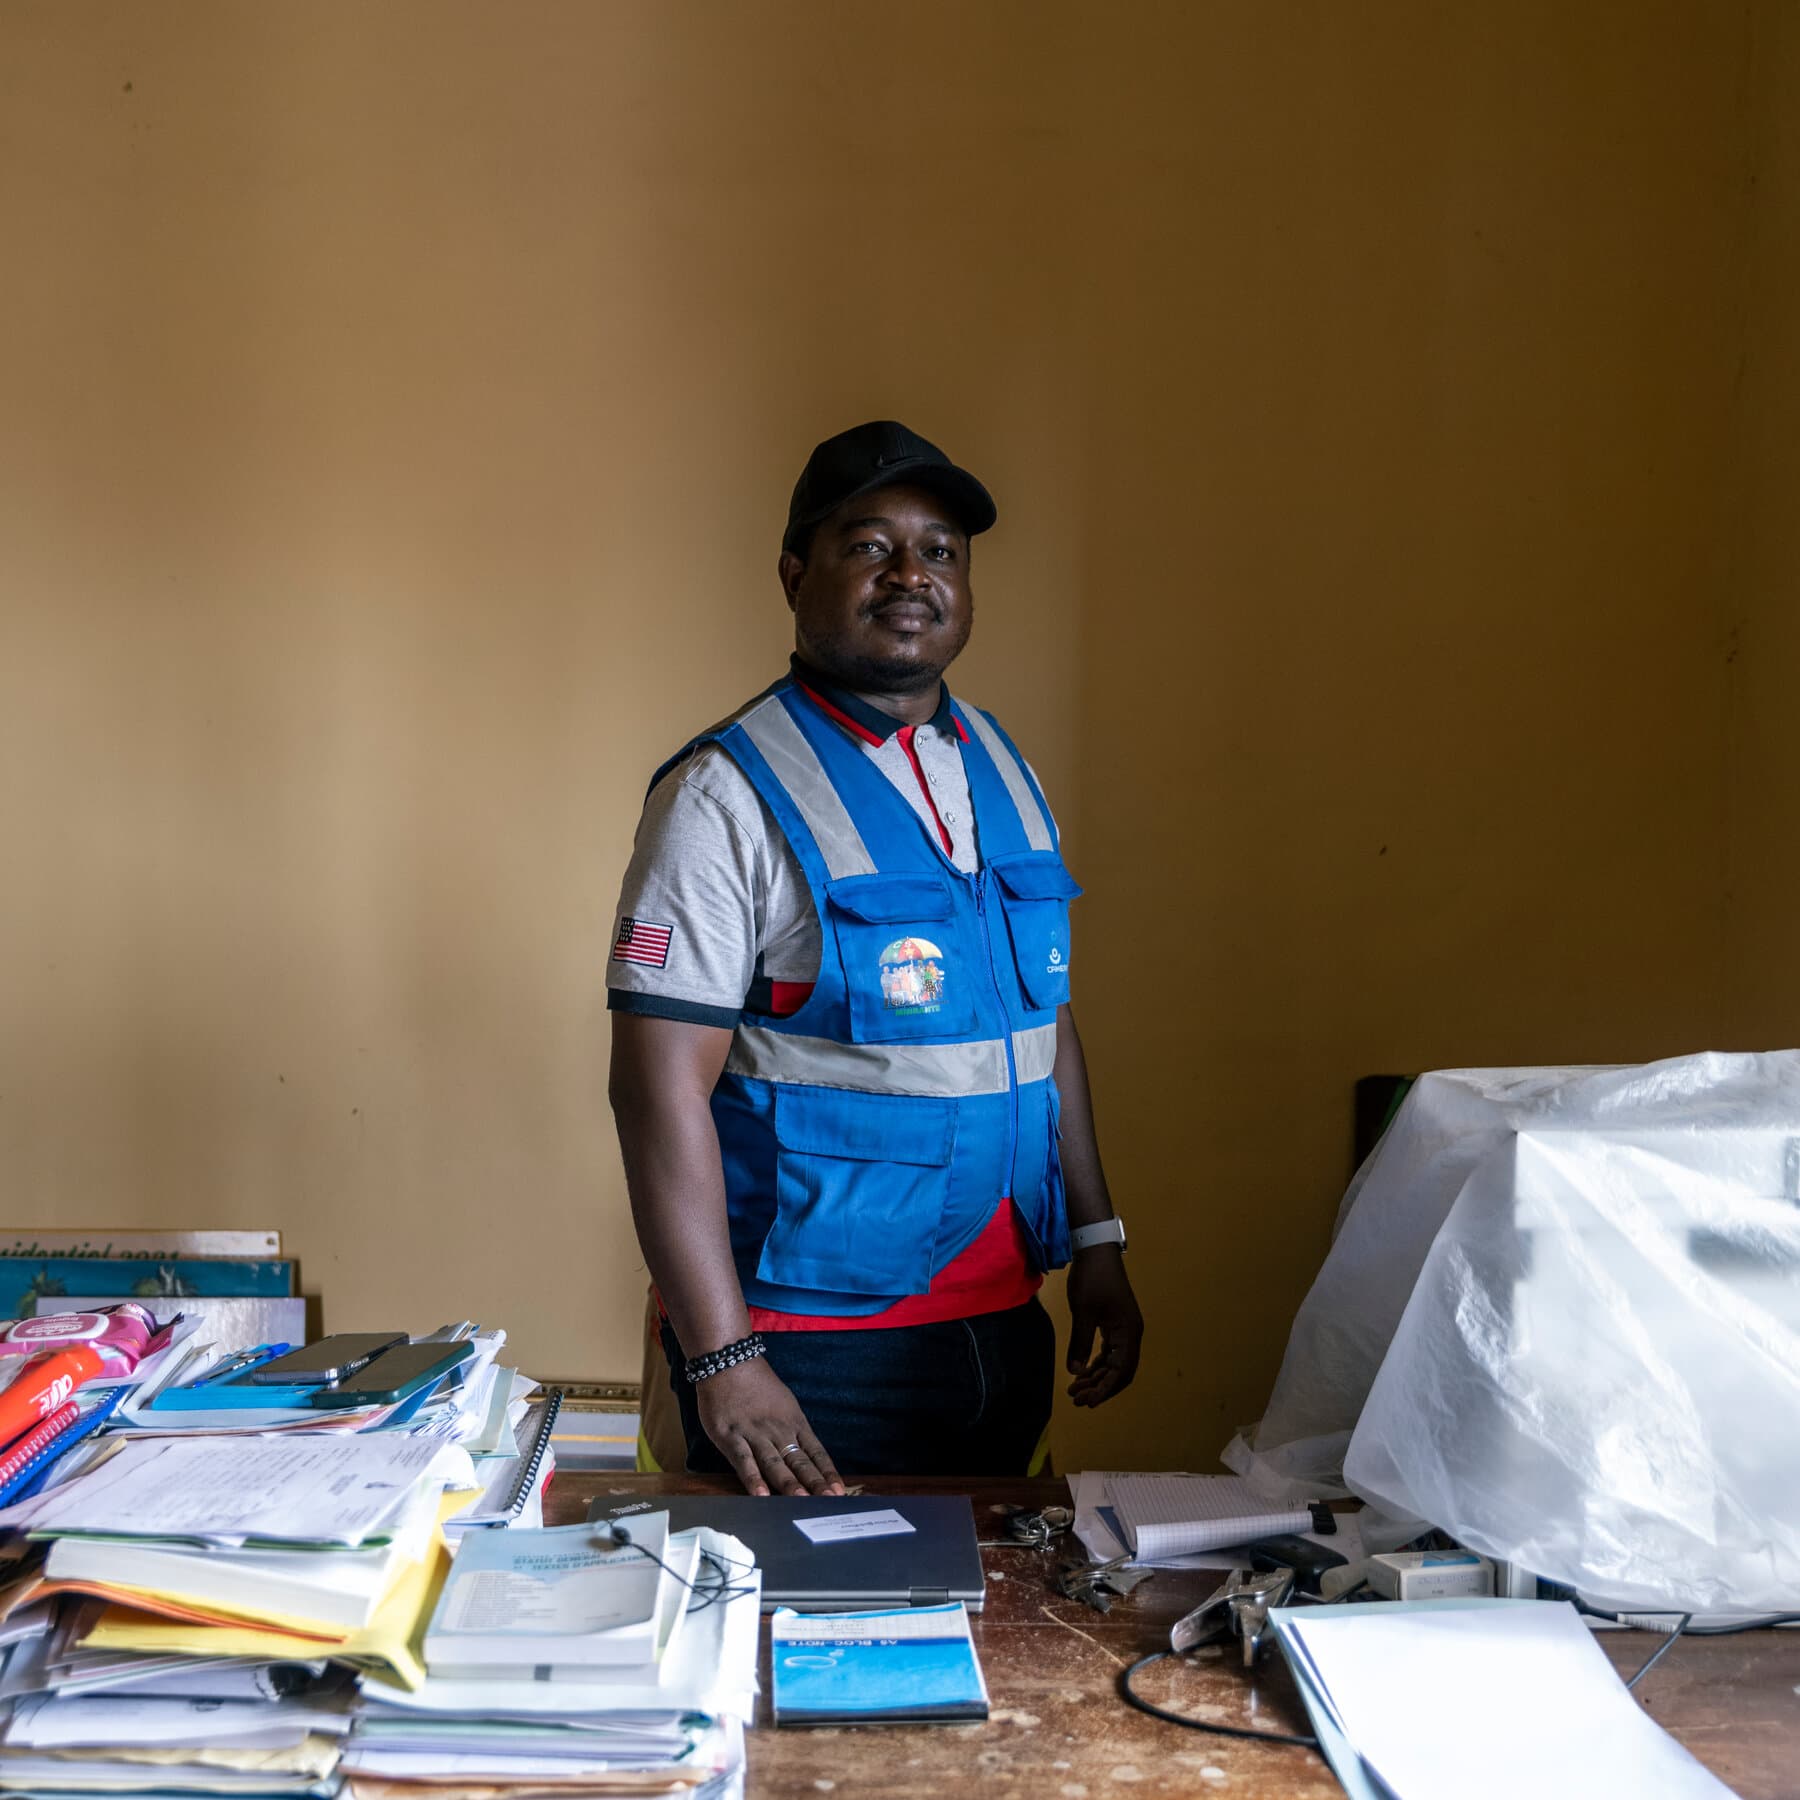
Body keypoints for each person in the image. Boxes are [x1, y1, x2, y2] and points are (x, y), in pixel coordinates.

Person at [607, 420, 1143, 1496]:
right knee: (791, 1644)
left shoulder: (1000, 764)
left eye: (940, 551)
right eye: (871, 546)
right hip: (809, 1356)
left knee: (998, 1640)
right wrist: (724, 1360)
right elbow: (653, 1090)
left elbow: (1042, 1029)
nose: (911, 574)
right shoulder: (724, 793)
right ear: (797, 575)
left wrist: (1098, 1240)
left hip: (1001, 1325)